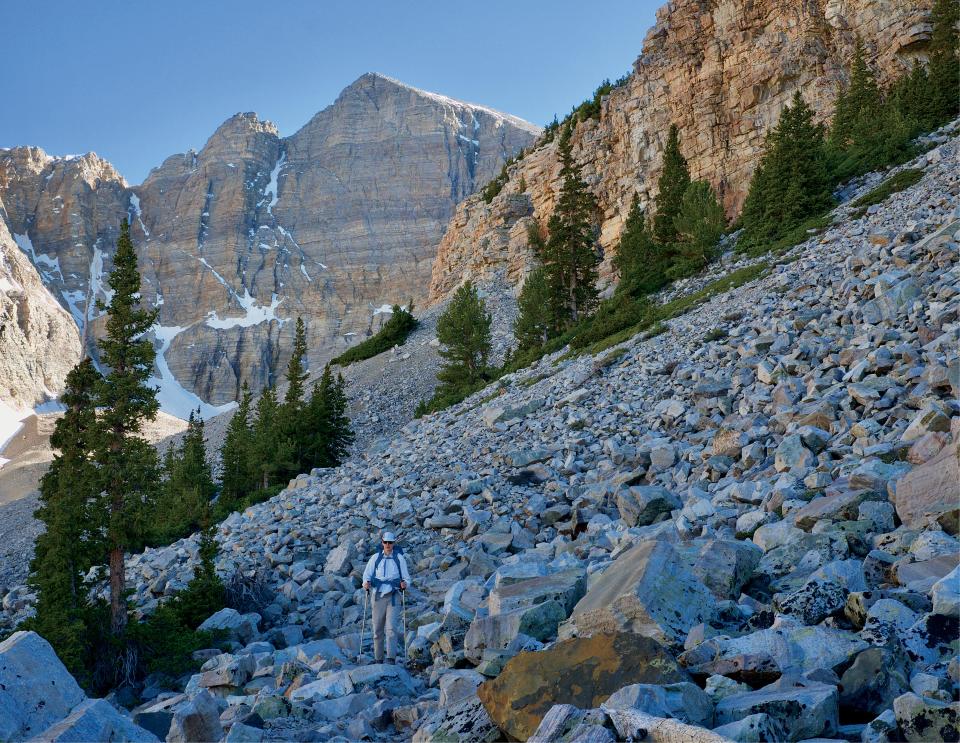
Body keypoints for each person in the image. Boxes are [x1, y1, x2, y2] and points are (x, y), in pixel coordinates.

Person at [362, 531, 411, 663]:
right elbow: (366, 575)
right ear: (382, 543)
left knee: (391, 628)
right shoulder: (375, 558)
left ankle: (390, 659)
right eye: (386, 542)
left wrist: (405, 584)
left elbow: (407, 578)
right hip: (377, 595)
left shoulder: (399, 558)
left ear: (394, 543)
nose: (388, 545)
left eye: (390, 542)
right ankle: (378, 659)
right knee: (377, 629)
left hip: (394, 595)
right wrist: (365, 584)